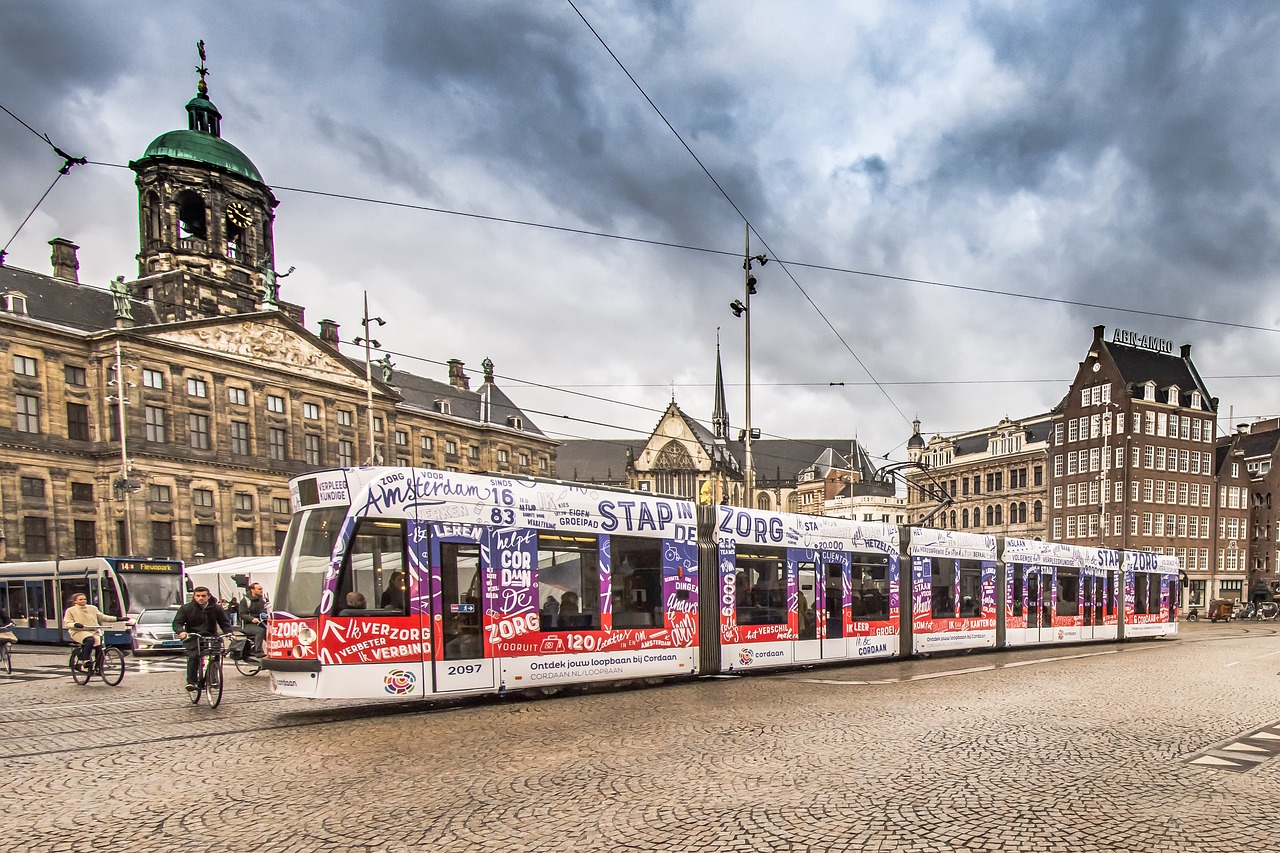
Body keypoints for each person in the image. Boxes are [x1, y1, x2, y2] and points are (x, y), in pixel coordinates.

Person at [173, 587, 231, 692]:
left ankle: (213, 675)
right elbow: (177, 622)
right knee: (194, 657)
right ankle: (191, 682)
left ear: (208, 596)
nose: (201, 598)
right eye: (198, 596)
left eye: (203, 596)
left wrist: (229, 633)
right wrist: (181, 632)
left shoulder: (217, 608)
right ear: (194, 596)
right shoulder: (186, 608)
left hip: (212, 635)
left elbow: (224, 623)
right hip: (194, 636)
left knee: (216, 654)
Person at [62, 593, 131, 670]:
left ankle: (98, 667)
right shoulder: (70, 610)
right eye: (80, 599)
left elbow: (102, 617)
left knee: (100, 647)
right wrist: (75, 625)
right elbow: (67, 623)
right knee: (90, 639)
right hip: (78, 631)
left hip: (93, 631)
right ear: (75, 601)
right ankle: (85, 660)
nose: (83, 601)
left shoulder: (92, 608)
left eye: (84, 599)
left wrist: (118, 619)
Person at [236, 582, 268, 658]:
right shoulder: (245, 601)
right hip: (248, 625)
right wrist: (252, 619)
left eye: (262, 589)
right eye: (259, 589)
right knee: (260, 631)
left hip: (262, 622)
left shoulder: (264, 599)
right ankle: (258, 651)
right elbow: (242, 614)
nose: (261, 590)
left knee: (272, 632)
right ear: (252, 590)